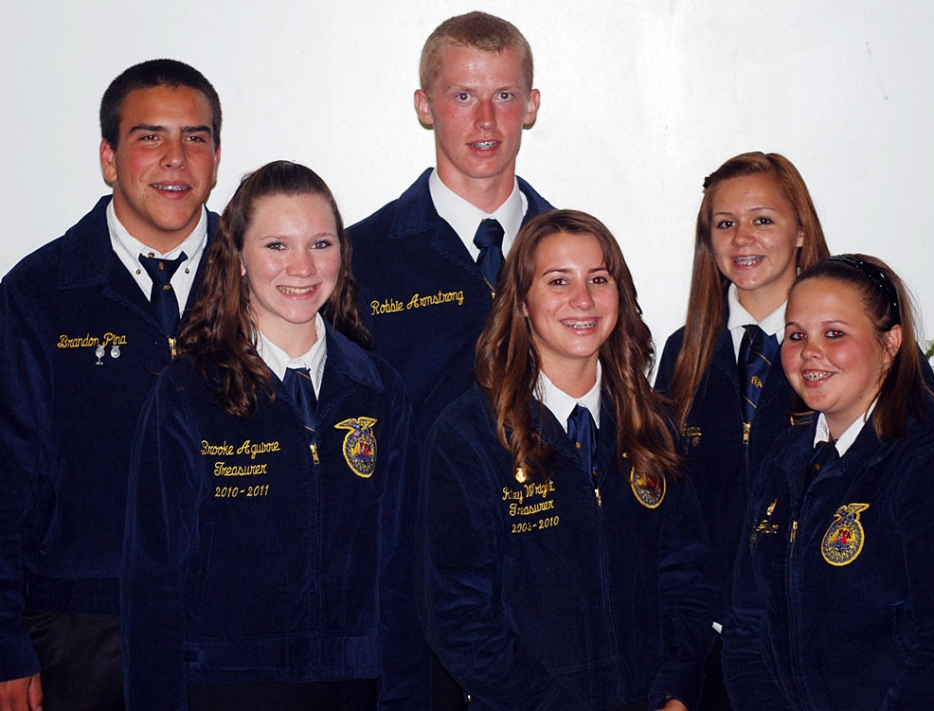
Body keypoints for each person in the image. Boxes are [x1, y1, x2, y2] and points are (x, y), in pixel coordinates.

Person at [121, 161, 427, 710]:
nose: (303, 268)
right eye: (277, 246)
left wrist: (405, 697)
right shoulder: (188, 393)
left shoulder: (378, 391)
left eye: (321, 244)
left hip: (353, 685)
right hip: (224, 684)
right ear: (237, 257)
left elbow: (401, 569)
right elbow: (152, 581)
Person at [417, 209, 715, 710]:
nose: (583, 299)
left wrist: (676, 690)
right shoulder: (469, 435)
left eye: (599, 279)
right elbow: (457, 614)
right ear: (524, 303)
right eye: (559, 281)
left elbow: (685, 577)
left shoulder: (651, 425)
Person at [0, 59, 221, 711]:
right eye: (150, 136)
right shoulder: (38, 295)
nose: (176, 159)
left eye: (196, 137)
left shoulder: (270, 283)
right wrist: (5, 642)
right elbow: (4, 479)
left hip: (235, 631)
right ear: (108, 156)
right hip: (83, 635)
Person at [723, 254, 934, 709]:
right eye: (796, 335)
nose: (809, 352)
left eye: (834, 333)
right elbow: (746, 624)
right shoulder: (784, 455)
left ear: (891, 342)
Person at [654, 152, 829, 709]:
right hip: (713, 660)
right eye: (724, 223)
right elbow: (668, 518)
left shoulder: (850, 342)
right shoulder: (685, 353)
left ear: (801, 230)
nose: (742, 238)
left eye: (763, 219)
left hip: (821, 650)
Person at [348, 10, 554, 444]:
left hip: (552, 506)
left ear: (531, 104)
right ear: (425, 105)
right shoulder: (361, 256)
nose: (485, 120)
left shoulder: (577, 252)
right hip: (421, 510)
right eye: (463, 97)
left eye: (504, 96)